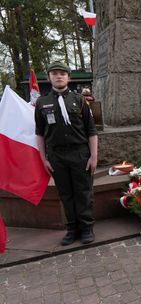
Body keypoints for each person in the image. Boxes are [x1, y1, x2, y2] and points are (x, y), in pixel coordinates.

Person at [34, 61, 98, 245]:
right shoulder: (42, 102)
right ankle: (72, 229)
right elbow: (39, 133)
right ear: (49, 77)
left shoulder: (80, 100)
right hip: (57, 156)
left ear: (69, 77)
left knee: (83, 192)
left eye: (62, 73)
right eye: (54, 73)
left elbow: (91, 131)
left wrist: (93, 156)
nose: (59, 76)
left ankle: (86, 228)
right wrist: (43, 158)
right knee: (65, 194)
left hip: (80, 154)